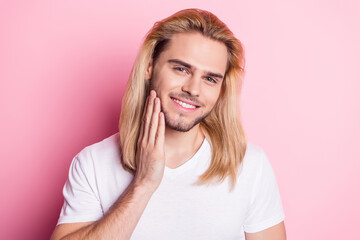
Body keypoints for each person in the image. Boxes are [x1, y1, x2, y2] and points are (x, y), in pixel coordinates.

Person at [51, 8, 286, 240]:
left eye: (210, 79)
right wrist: (142, 185)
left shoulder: (250, 165)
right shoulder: (93, 163)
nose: (193, 89)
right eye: (181, 69)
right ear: (150, 67)